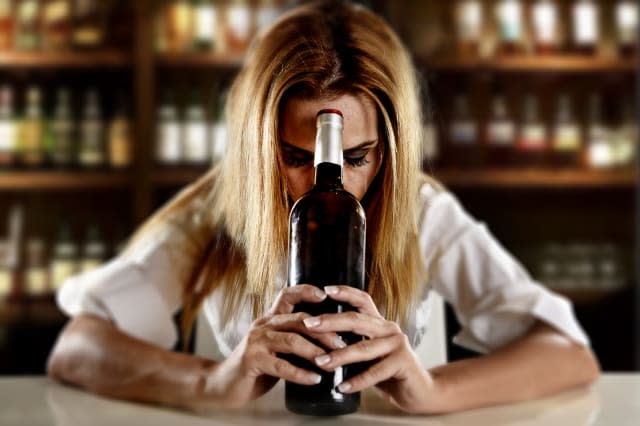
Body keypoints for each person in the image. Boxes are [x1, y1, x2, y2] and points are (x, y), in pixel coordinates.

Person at [47, 0, 600, 414]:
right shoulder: (216, 215)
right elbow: (76, 348)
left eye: (354, 157)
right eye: (293, 155)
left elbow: (568, 354)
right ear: (258, 148)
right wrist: (212, 382)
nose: (324, 182)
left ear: (389, 150)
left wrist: (429, 389)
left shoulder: (421, 213)